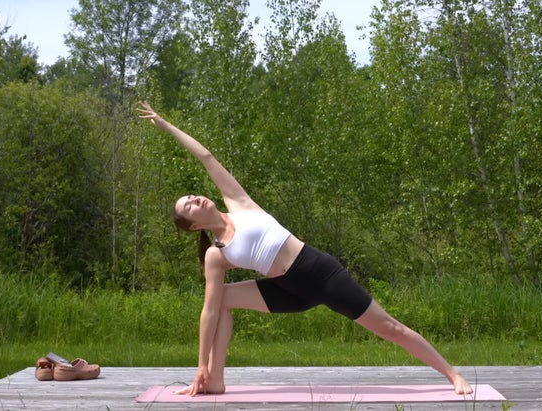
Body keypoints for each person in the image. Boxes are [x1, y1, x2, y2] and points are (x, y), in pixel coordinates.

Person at [137, 101, 474, 397]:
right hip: (288, 292)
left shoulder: (238, 202)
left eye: (193, 196)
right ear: (193, 225)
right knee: (221, 299)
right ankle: (214, 380)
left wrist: (165, 125)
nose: (196, 198)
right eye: (190, 206)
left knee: (390, 328)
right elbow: (209, 312)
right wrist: (200, 365)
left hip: (318, 273)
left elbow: (206, 157)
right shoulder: (216, 254)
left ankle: (452, 373)